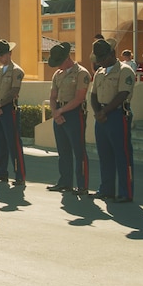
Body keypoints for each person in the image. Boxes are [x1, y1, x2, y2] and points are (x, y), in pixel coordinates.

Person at [89, 39, 135, 203]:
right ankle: (106, 189)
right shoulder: (99, 73)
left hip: (117, 115)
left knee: (122, 155)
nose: (100, 61)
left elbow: (123, 93)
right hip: (101, 115)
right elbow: (93, 95)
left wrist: (104, 111)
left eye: (103, 57)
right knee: (104, 154)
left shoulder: (124, 70)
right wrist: (98, 112)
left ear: (112, 54)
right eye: (98, 58)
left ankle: (125, 191)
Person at [47, 42, 91, 194]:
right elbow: (53, 96)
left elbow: (79, 98)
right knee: (63, 150)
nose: (58, 66)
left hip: (74, 113)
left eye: (59, 62)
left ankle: (82, 184)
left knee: (78, 150)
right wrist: (55, 112)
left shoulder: (81, 73)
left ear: (67, 59)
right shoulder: (57, 75)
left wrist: (60, 111)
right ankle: (65, 182)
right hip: (59, 111)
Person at [0, 38, 27, 186]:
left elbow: (13, 91)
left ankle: (19, 173)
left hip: (9, 108)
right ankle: (1, 172)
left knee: (13, 142)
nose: (1, 58)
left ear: (10, 53)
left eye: (3, 55)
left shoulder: (17, 71)